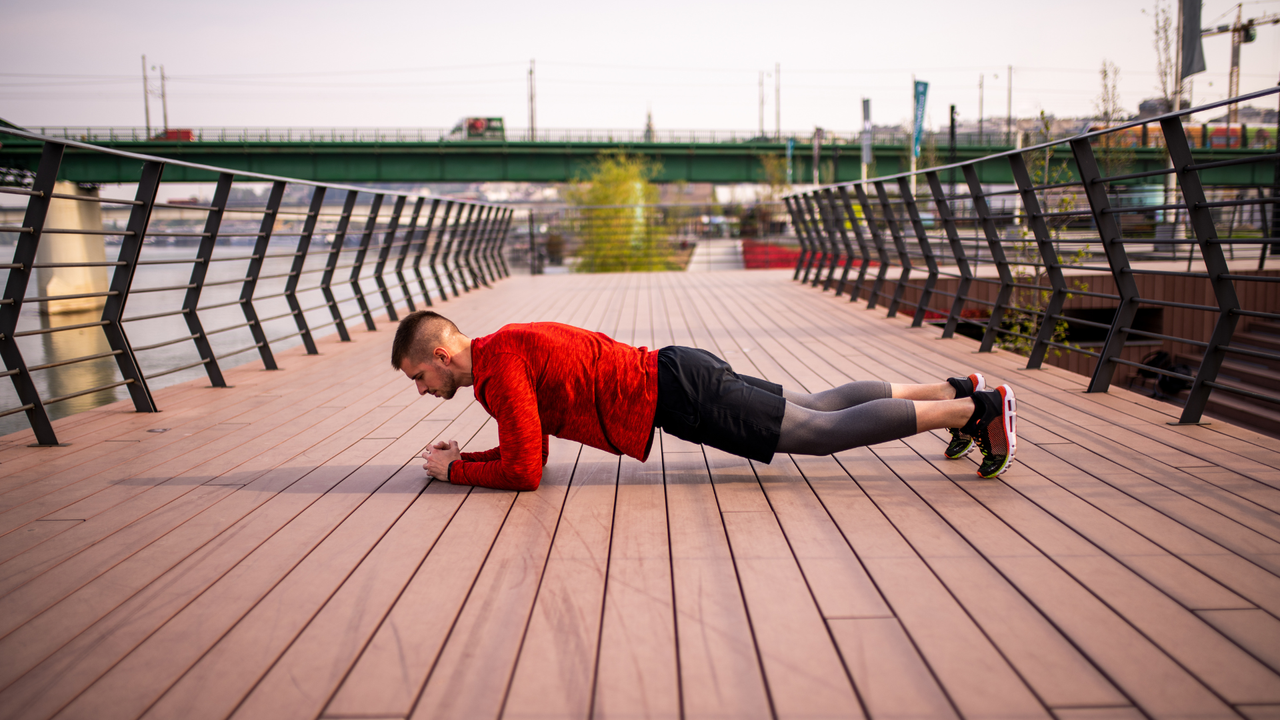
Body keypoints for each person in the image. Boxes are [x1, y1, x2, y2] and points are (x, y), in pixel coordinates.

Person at [391, 311, 1017, 491]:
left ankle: (977, 411)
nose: (422, 391)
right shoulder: (504, 349)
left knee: (817, 434)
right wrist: (469, 457)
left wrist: (455, 471)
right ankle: (954, 392)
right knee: (820, 404)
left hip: (681, 393)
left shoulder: (499, 375)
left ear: (443, 356)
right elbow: (526, 445)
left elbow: (527, 469)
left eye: (419, 376)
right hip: (677, 369)